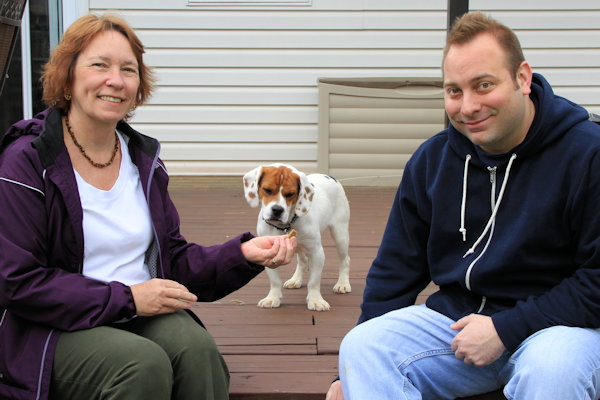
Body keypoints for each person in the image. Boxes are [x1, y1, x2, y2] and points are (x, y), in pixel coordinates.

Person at [0, 13, 296, 400]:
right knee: (141, 366)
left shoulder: (143, 160)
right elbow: (18, 281)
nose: (116, 80)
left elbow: (171, 258)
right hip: (50, 327)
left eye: (129, 69)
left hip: (134, 309)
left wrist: (242, 254)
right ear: (68, 76)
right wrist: (127, 299)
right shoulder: (27, 161)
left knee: (198, 352)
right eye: (99, 65)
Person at [327, 11, 600, 400]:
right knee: (363, 347)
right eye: (454, 90)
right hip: (460, 327)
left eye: (483, 85)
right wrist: (345, 377)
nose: (467, 106)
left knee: (553, 370)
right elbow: (395, 270)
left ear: (522, 78)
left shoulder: (587, 154)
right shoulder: (432, 160)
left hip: (562, 329)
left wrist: (507, 328)